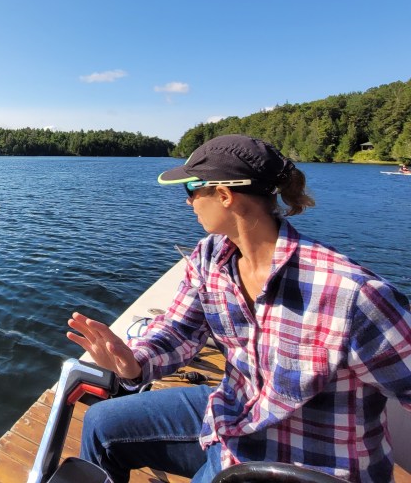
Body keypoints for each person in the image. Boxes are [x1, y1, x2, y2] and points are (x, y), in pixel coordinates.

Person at [67, 134, 411, 483]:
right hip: (233, 416)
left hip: (307, 464)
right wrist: (135, 362)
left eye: (191, 191)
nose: (188, 204)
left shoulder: (355, 296)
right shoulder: (209, 257)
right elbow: (179, 330)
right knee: (100, 424)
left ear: (224, 195)